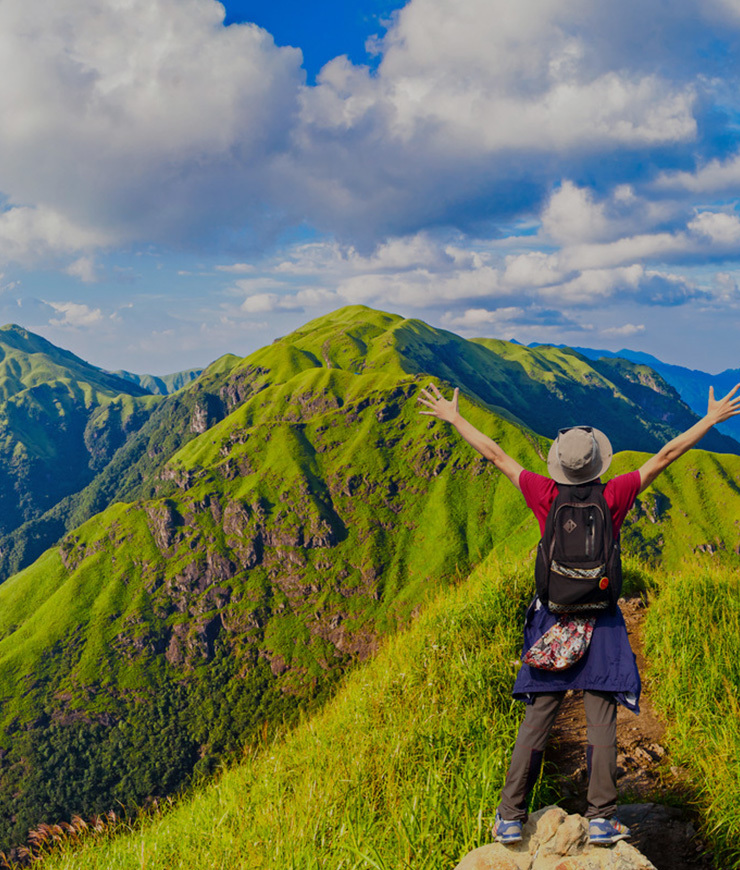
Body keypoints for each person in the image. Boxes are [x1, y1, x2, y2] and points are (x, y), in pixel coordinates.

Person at [417, 380, 740, 846]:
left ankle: (510, 816)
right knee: (601, 716)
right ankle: (603, 818)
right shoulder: (615, 496)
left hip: (555, 618)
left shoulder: (544, 494)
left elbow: (495, 454)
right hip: (602, 621)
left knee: (539, 715)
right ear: (596, 463)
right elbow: (666, 455)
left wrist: (454, 418)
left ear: (560, 466)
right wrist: (709, 420)